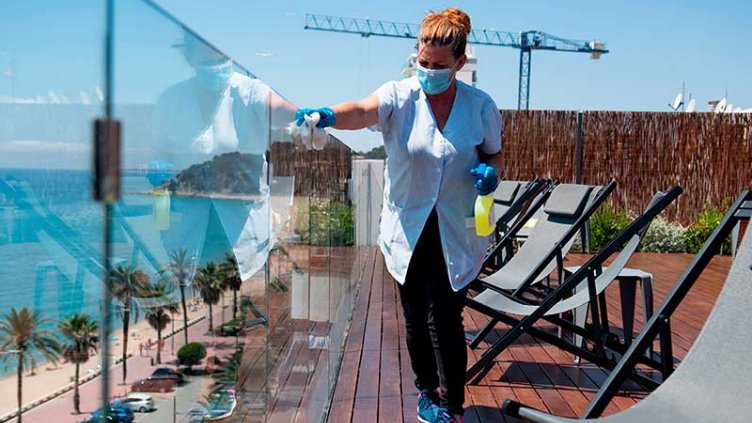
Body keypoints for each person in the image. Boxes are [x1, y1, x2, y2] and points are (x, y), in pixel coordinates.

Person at [297, 8, 502, 423]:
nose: (428, 71)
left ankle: (454, 407)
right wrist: (332, 116)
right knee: (415, 317)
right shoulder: (399, 95)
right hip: (407, 226)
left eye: (439, 66)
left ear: (459, 64)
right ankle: (427, 391)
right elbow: (362, 110)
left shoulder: (480, 106)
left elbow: (494, 151)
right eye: (422, 63)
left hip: (454, 228)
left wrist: (491, 174)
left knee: (445, 315)